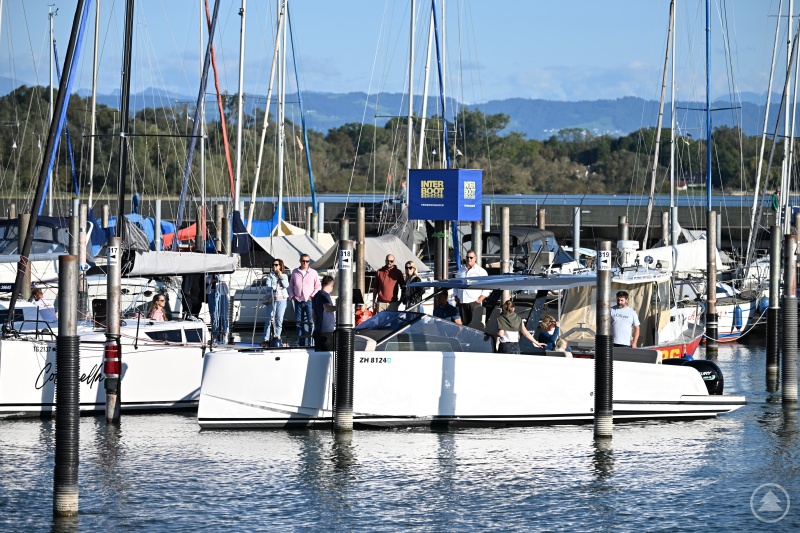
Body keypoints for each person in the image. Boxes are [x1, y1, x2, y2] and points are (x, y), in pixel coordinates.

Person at [289, 253, 321, 347]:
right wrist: (292, 296)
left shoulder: (313, 272)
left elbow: (318, 286)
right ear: (300, 261)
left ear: (309, 262)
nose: (305, 263)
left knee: (310, 322)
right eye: (303, 261)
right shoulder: (295, 272)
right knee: (299, 322)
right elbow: (291, 285)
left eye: (307, 261)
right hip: (298, 300)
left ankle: (311, 342)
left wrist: (312, 296)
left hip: (309, 301)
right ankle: (301, 343)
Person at [454, 249, 489, 327]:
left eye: (471, 257)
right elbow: (455, 285)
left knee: (475, 326)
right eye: (467, 257)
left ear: (475, 258)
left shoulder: (481, 271)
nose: (469, 259)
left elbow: (487, 288)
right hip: (462, 302)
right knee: (464, 326)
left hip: (474, 302)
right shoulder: (460, 271)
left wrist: (479, 300)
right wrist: (456, 296)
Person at [262, 258, 289, 346]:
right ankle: (266, 339)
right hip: (272, 300)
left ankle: (277, 337)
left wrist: (281, 277)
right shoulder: (270, 276)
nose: (274, 266)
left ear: (280, 266)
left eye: (276, 265)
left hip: (282, 300)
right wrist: (279, 287)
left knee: (279, 320)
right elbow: (269, 287)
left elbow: (286, 285)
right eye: (273, 265)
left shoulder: (284, 276)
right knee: (269, 320)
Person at [312, 275, 336, 351]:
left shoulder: (316, 296)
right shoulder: (325, 295)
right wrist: (341, 308)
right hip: (326, 332)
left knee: (319, 355)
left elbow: (313, 314)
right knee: (329, 355)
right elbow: (328, 308)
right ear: (332, 285)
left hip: (317, 330)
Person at [206, 273, 229, 342]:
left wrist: (216, 279)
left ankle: (225, 333)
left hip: (222, 293)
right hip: (211, 292)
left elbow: (225, 279)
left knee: (223, 315)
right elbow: (206, 279)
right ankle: (215, 335)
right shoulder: (210, 270)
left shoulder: (224, 270)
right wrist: (212, 280)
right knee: (213, 314)